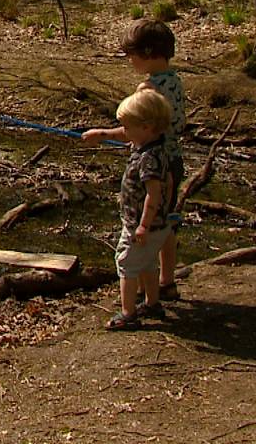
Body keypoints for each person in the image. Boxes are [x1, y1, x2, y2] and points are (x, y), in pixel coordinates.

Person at [83, 18, 186, 301]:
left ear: (149, 52)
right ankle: (167, 281)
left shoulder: (148, 90)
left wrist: (103, 133)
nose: (130, 60)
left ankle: (142, 287)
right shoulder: (175, 81)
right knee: (164, 225)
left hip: (148, 167)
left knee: (142, 225)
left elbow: (133, 131)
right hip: (173, 162)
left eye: (132, 55)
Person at [103, 87, 174, 330]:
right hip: (158, 224)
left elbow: (154, 193)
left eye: (128, 127)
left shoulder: (148, 158)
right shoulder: (156, 148)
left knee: (126, 264)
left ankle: (128, 313)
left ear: (146, 128)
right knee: (148, 264)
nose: (124, 132)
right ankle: (152, 302)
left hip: (141, 226)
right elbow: (170, 184)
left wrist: (143, 225)